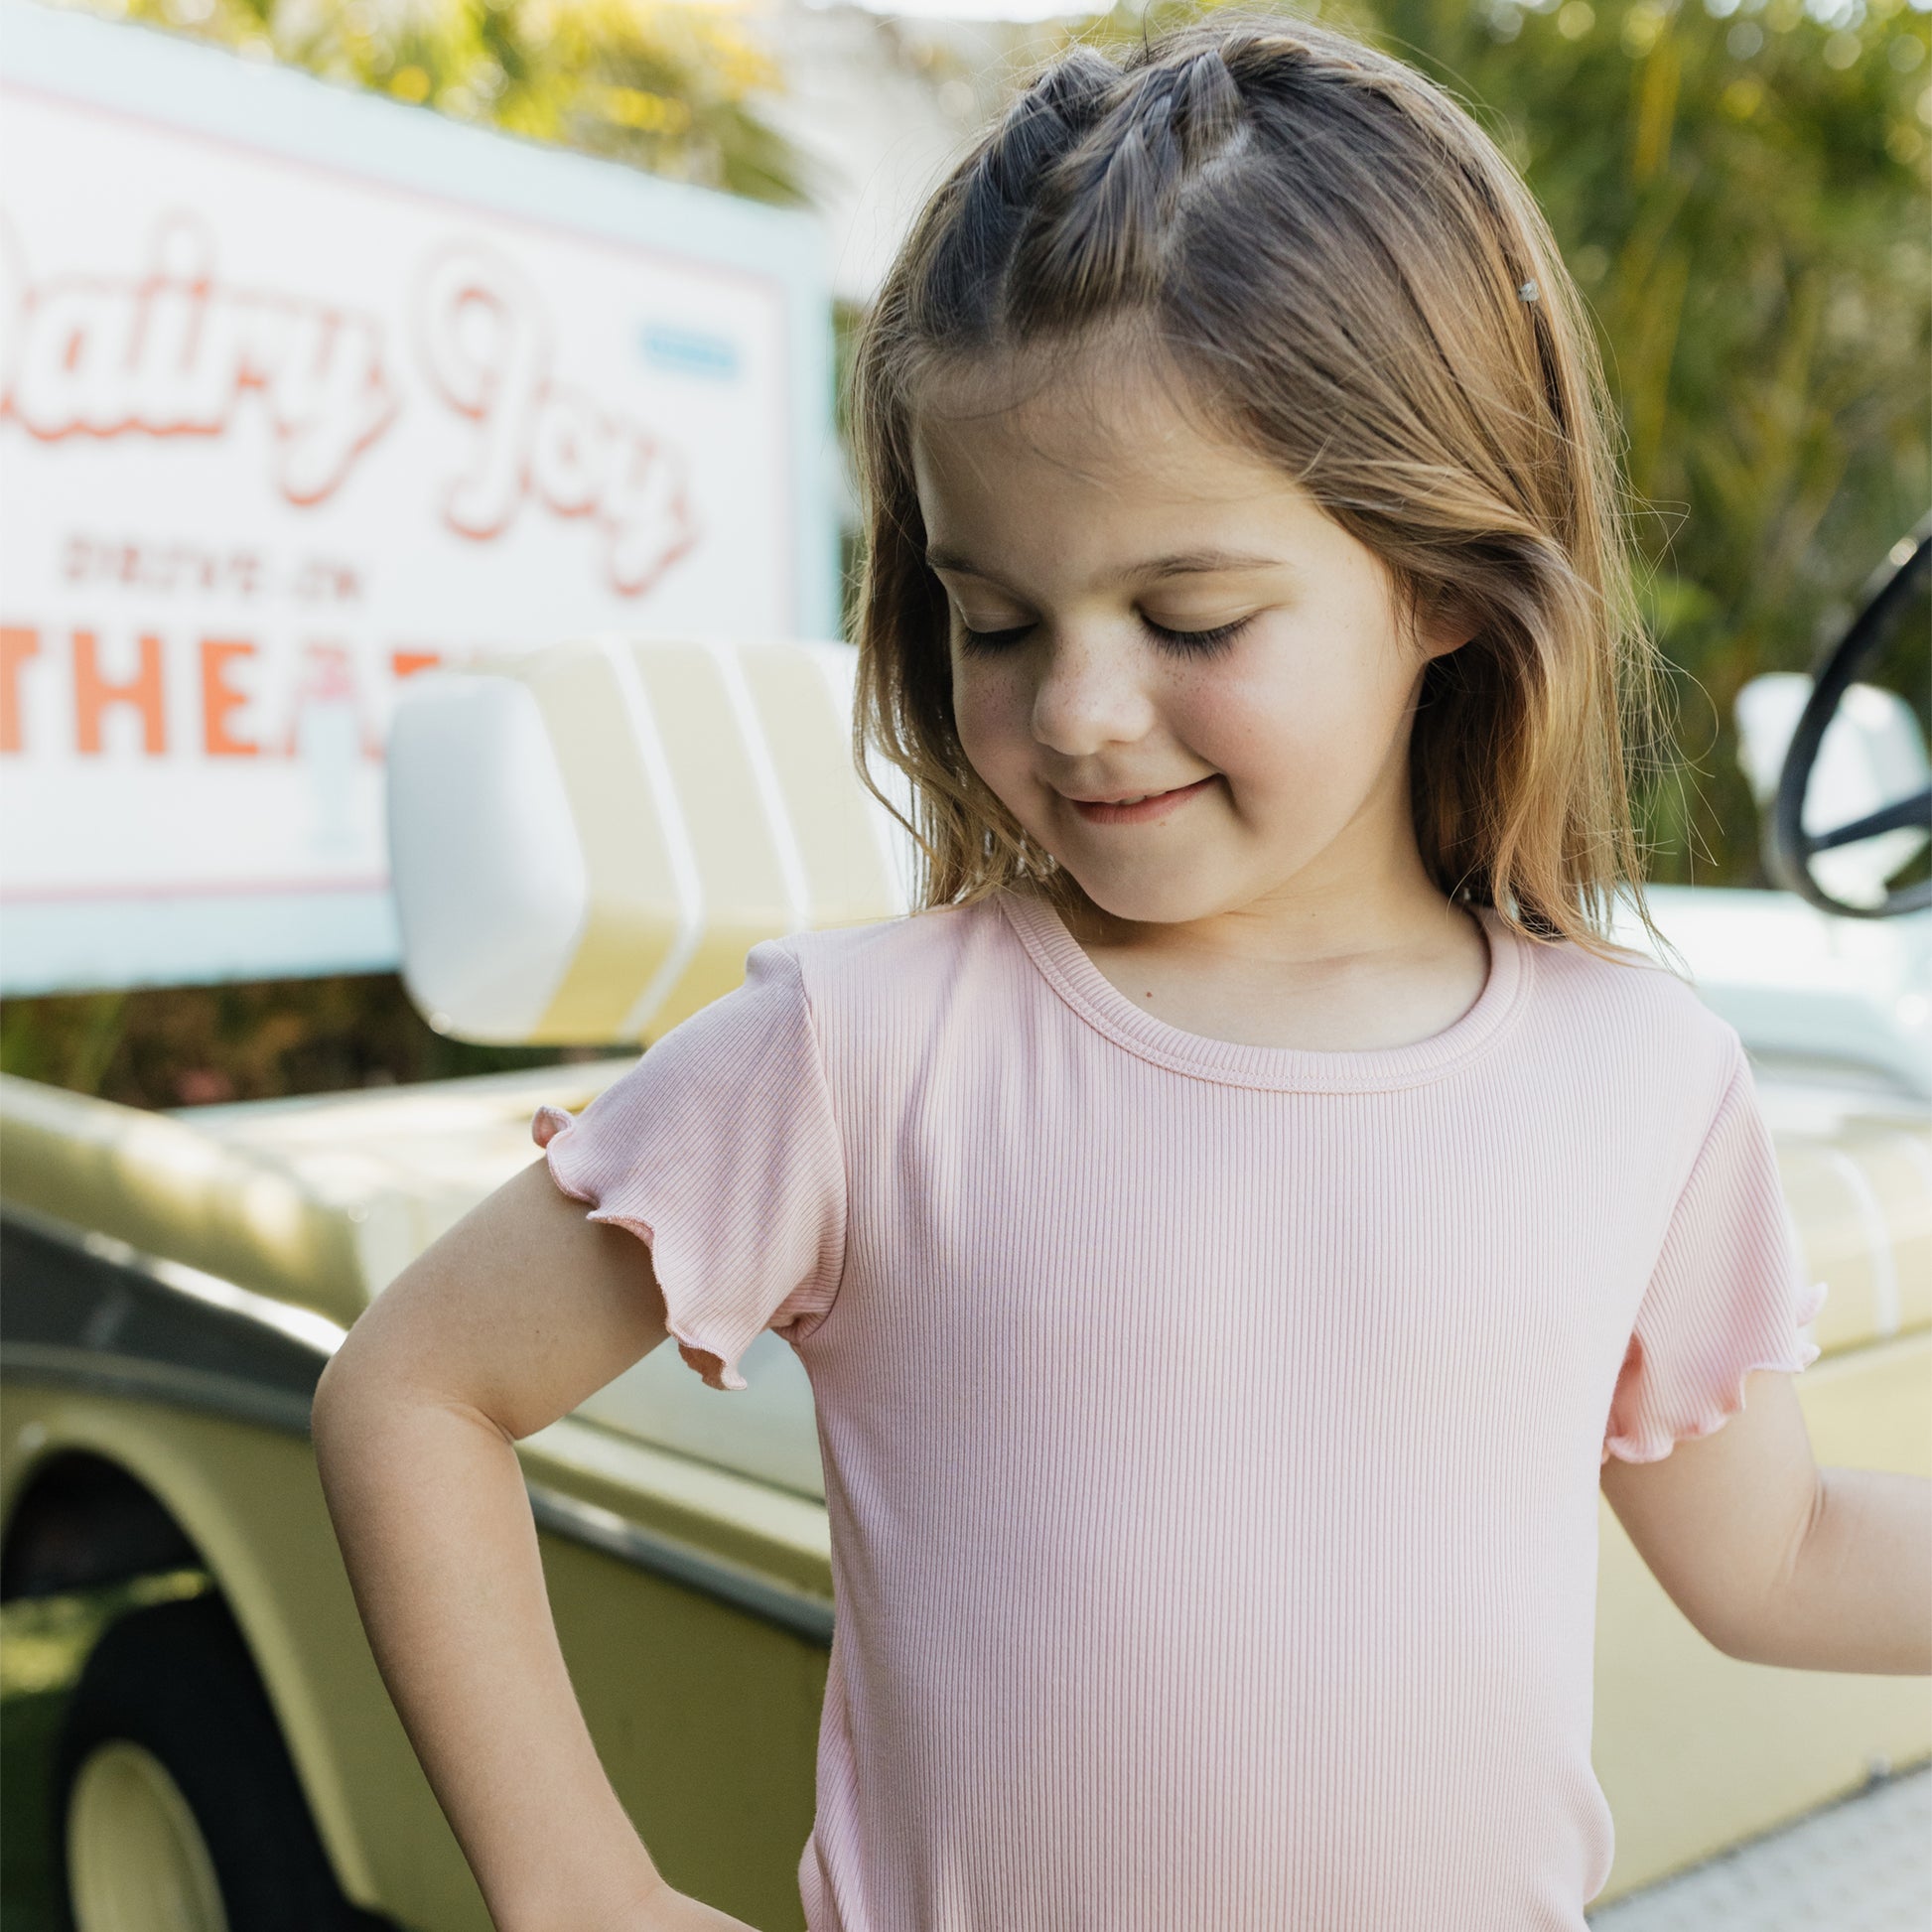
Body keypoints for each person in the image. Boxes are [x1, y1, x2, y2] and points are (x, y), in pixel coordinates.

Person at [310, 13, 1932, 1931]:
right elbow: (411, 1389)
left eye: (1189, 615)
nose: (1074, 711)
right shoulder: (863, 1050)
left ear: (1437, 581)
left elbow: (1776, 1556)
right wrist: (576, 1886)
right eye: (991, 619)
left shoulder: (1638, 1075)